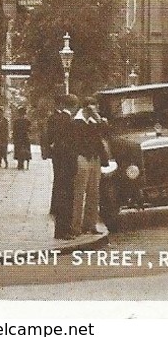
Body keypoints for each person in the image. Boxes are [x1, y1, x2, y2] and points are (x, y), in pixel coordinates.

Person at [71, 95, 107, 237]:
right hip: (82, 158)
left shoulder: (94, 122)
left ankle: (90, 224)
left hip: (94, 158)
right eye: (94, 106)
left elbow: (105, 132)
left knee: (94, 193)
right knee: (79, 193)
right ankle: (76, 226)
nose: (96, 109)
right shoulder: (76, 122)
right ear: (86, 107)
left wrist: (98, 119)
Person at [48, 94, 79, 240]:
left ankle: (64, 228)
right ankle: (63, 229)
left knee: (63, 196)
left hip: (60, 163)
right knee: (66, 197)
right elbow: (70, 145)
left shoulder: (59, 120)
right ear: (73, 106)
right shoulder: (69, 122)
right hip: (67, 164)